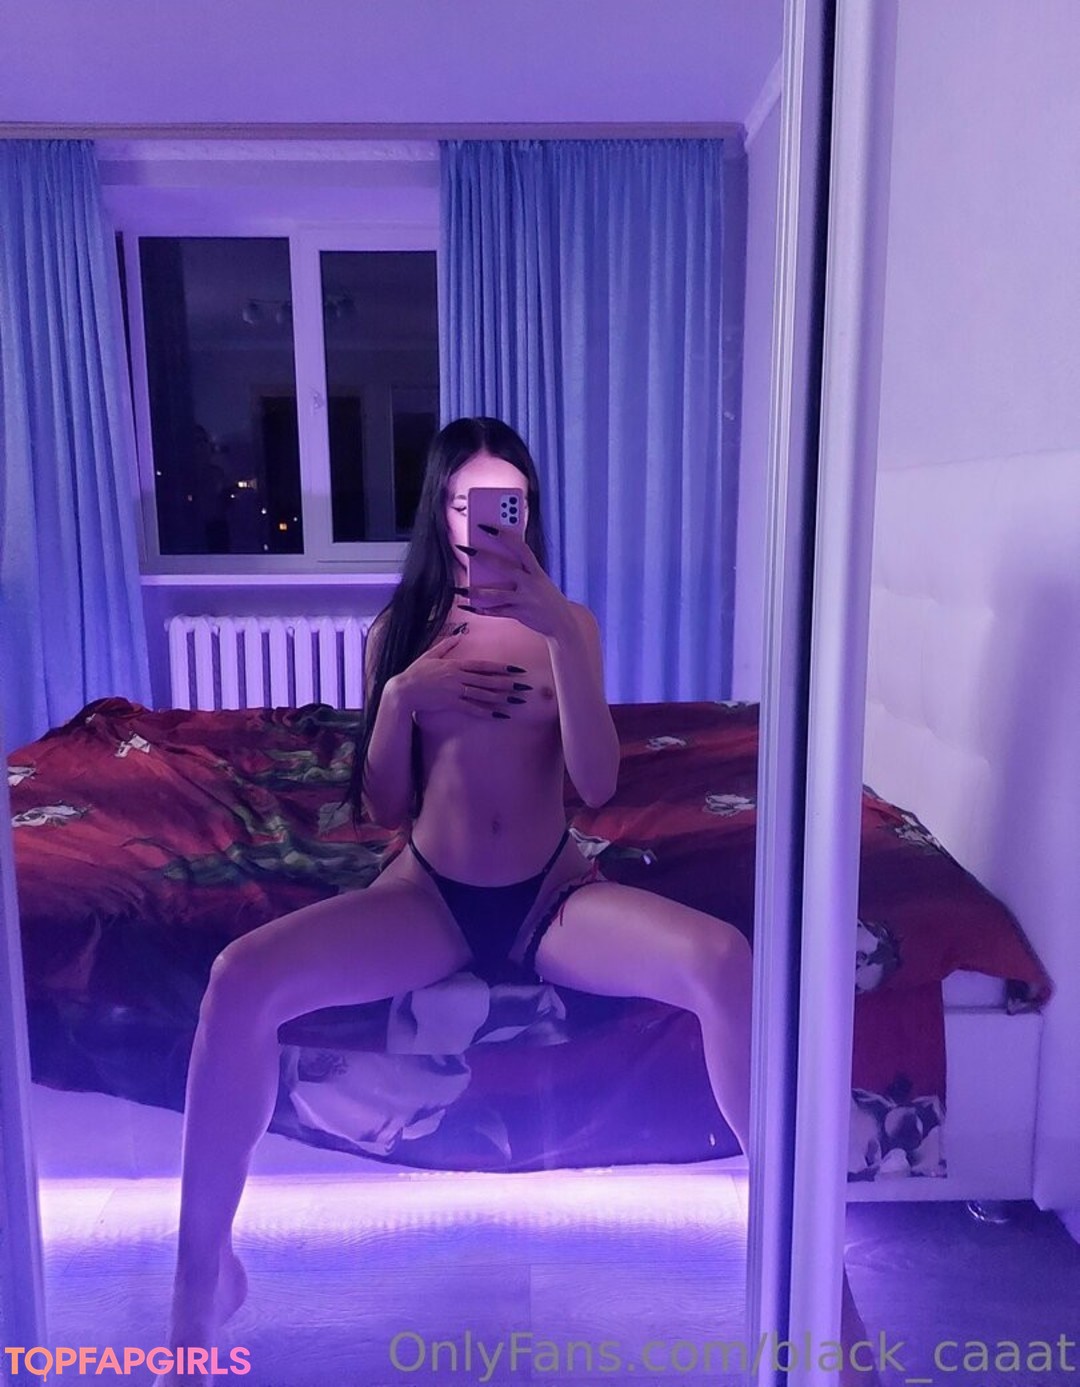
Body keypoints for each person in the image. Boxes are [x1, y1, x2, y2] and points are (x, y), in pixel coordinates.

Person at [156, 416, 871, 1385]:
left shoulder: (571, 626)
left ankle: (818, 1279)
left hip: (551, 892)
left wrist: (561, 635)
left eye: (510, 502)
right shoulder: (399, 633)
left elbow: (599, 783)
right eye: (469, 502)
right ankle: (199, 1285)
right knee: (239, 975)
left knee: (722, 960)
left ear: (529, 511)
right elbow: (384, 807)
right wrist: (401, 699)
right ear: (441, 511)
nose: (487, 520)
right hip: (429, 894)